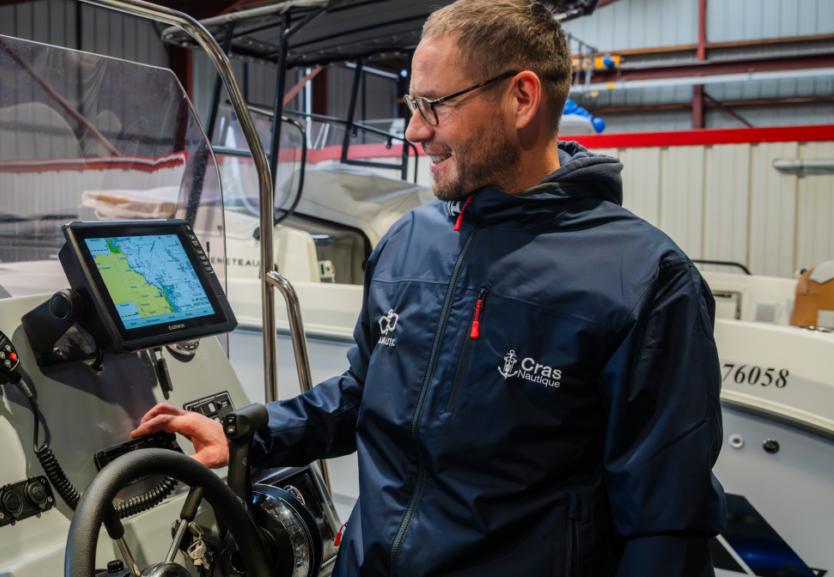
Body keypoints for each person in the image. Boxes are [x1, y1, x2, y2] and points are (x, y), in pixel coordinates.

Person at [132, 0, 727, 575]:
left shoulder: (644, 281)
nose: (414, 130)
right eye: (412, 103)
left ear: (522, 97)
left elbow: (666, 525)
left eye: (434, 104)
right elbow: (364, 395)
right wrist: (246, 438)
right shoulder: (409, 241)